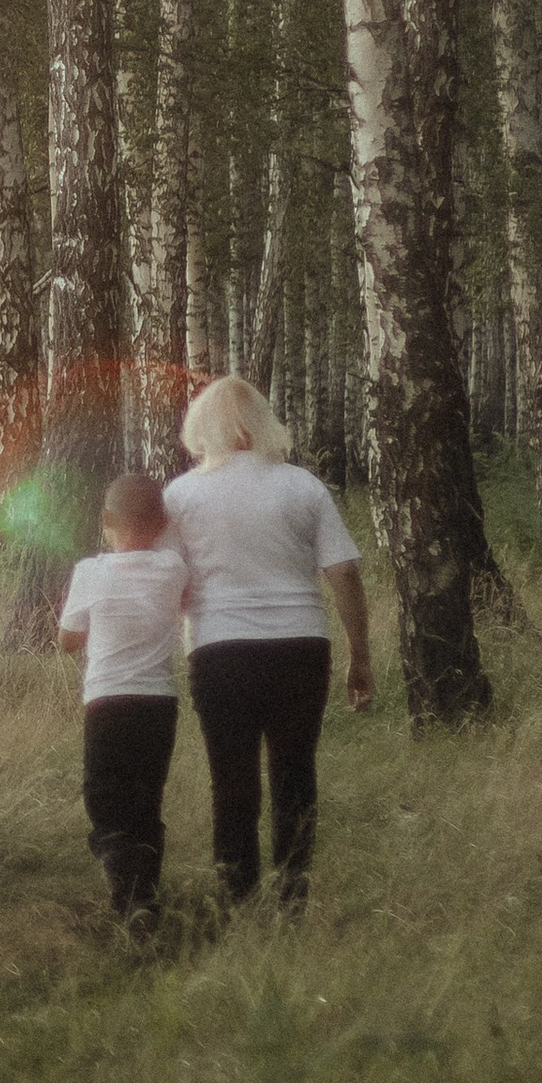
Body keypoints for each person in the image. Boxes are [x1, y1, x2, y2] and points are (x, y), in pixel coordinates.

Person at [163, 375, 371, 909]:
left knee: (230, 777)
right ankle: (292, 896)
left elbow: (169, 580)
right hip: (300, 647)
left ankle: (238, 897)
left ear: (201, 427)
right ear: (262, 421)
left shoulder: (180, 496)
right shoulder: (302, 486)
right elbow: (344, 573)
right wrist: (360, 656)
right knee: (294, 772)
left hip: (218, 649)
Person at [57, 472, 188, 935]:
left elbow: (68, 641)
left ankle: (126, 895)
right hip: (158, 703)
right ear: (163, 523)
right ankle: (145, 894)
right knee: (146, 800)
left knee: (105, 800)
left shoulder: (89, 572)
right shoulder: (173, 568)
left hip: (107, 703)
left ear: (105, 520)